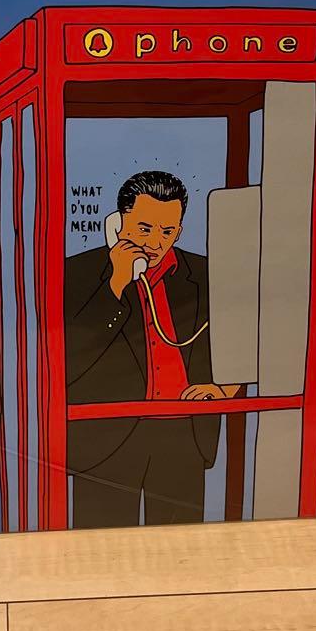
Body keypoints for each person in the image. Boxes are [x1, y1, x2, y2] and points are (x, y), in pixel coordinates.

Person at [64, 170, 236, 528]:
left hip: (183, 435)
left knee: (181, 543)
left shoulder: (205, 274)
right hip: (108, 437)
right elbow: (70, 355)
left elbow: (243, 338)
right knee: (100, 543)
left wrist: (223, 390)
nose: (156, 242)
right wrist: (116, 283)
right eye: (144, 229)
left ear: (180, 231)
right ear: (118, 223)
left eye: (167, 231)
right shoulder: (78, 272)